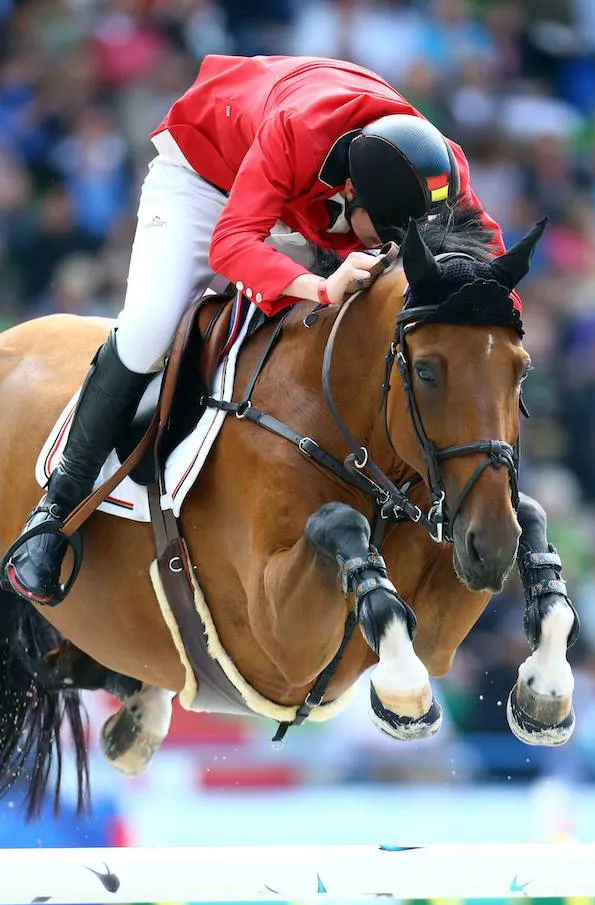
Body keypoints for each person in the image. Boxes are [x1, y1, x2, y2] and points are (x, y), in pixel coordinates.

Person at [6, 54, 506, 605]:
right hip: (207, 183)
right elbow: (232, 244)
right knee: (149, 329)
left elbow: (488, 268)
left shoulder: (435, 167)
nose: (393, 246)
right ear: (351, 194)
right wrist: (318, 287)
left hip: (301, 206)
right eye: (386, 233)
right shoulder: (300, 131)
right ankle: (55, 510)